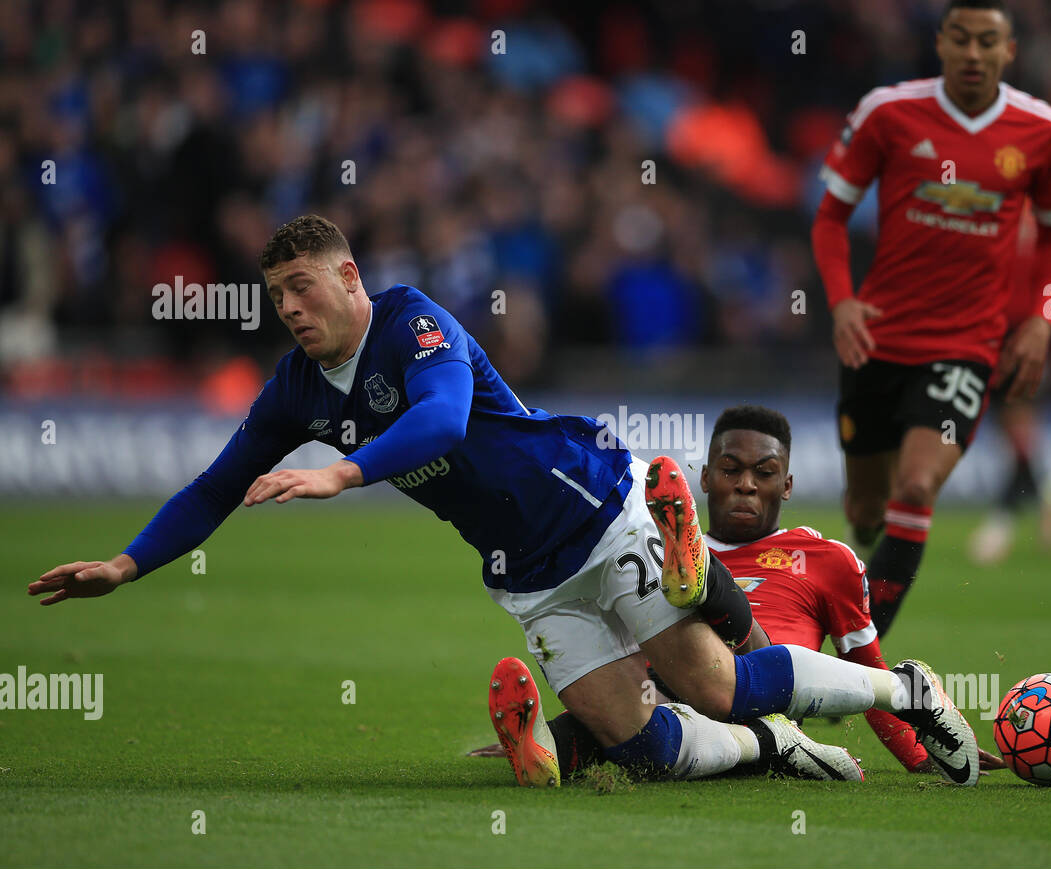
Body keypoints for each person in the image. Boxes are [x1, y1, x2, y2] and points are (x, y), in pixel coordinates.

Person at [27, 214, 979, 787]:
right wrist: (124, 563)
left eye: (303, 288)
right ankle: (775, 752)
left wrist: (340, 473)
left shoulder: (414, 323)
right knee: (639, 743)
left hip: (588, 507)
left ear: (348, 276)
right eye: (278, 297)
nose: (291, 309)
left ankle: (907, 690)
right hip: (522, 570)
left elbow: (441, 423)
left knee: (711, 684)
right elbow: (214, 485)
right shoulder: (296, 388)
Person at [478, 405, 1006, 782]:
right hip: (672, 688)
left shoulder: (828, 560)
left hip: (763, 684)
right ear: (705, 479)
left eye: (765, 473)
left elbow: (867, 669)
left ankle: (703, 584)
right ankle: (545, 746)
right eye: (731, 471)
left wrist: (919, 755)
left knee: (703, 668)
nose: (746, 485)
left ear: (788, 486)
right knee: (632, 734)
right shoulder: (643, 542)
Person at [811, 0, 1051, 638]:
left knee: (919, 484)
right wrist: (843, 301)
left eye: (989, 41)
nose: (974, 53)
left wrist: (1041, 320)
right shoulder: (888, 111)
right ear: (941, 43)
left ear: (1010, 50)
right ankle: (857, 560)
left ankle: (858, 661)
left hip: (967, 344)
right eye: (961, 38)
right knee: (867, 508)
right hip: (877, 336)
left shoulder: (1043, 131)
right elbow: (830, 219)